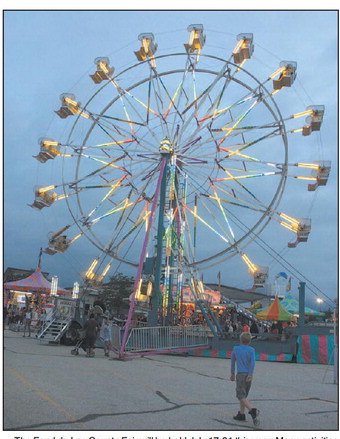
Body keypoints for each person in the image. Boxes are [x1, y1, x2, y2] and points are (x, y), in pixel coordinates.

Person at [230, 332, 260, 426]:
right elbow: (252, 363)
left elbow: (232, 362)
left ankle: (252, 410)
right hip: (248, 375)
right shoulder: (251, 350)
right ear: (249, 341)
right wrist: (250, 374)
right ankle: (241, 414)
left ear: (240, 339)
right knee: (244, 395)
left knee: (240, 395)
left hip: (240, 374)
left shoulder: (236, 349)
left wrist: (232, 373)